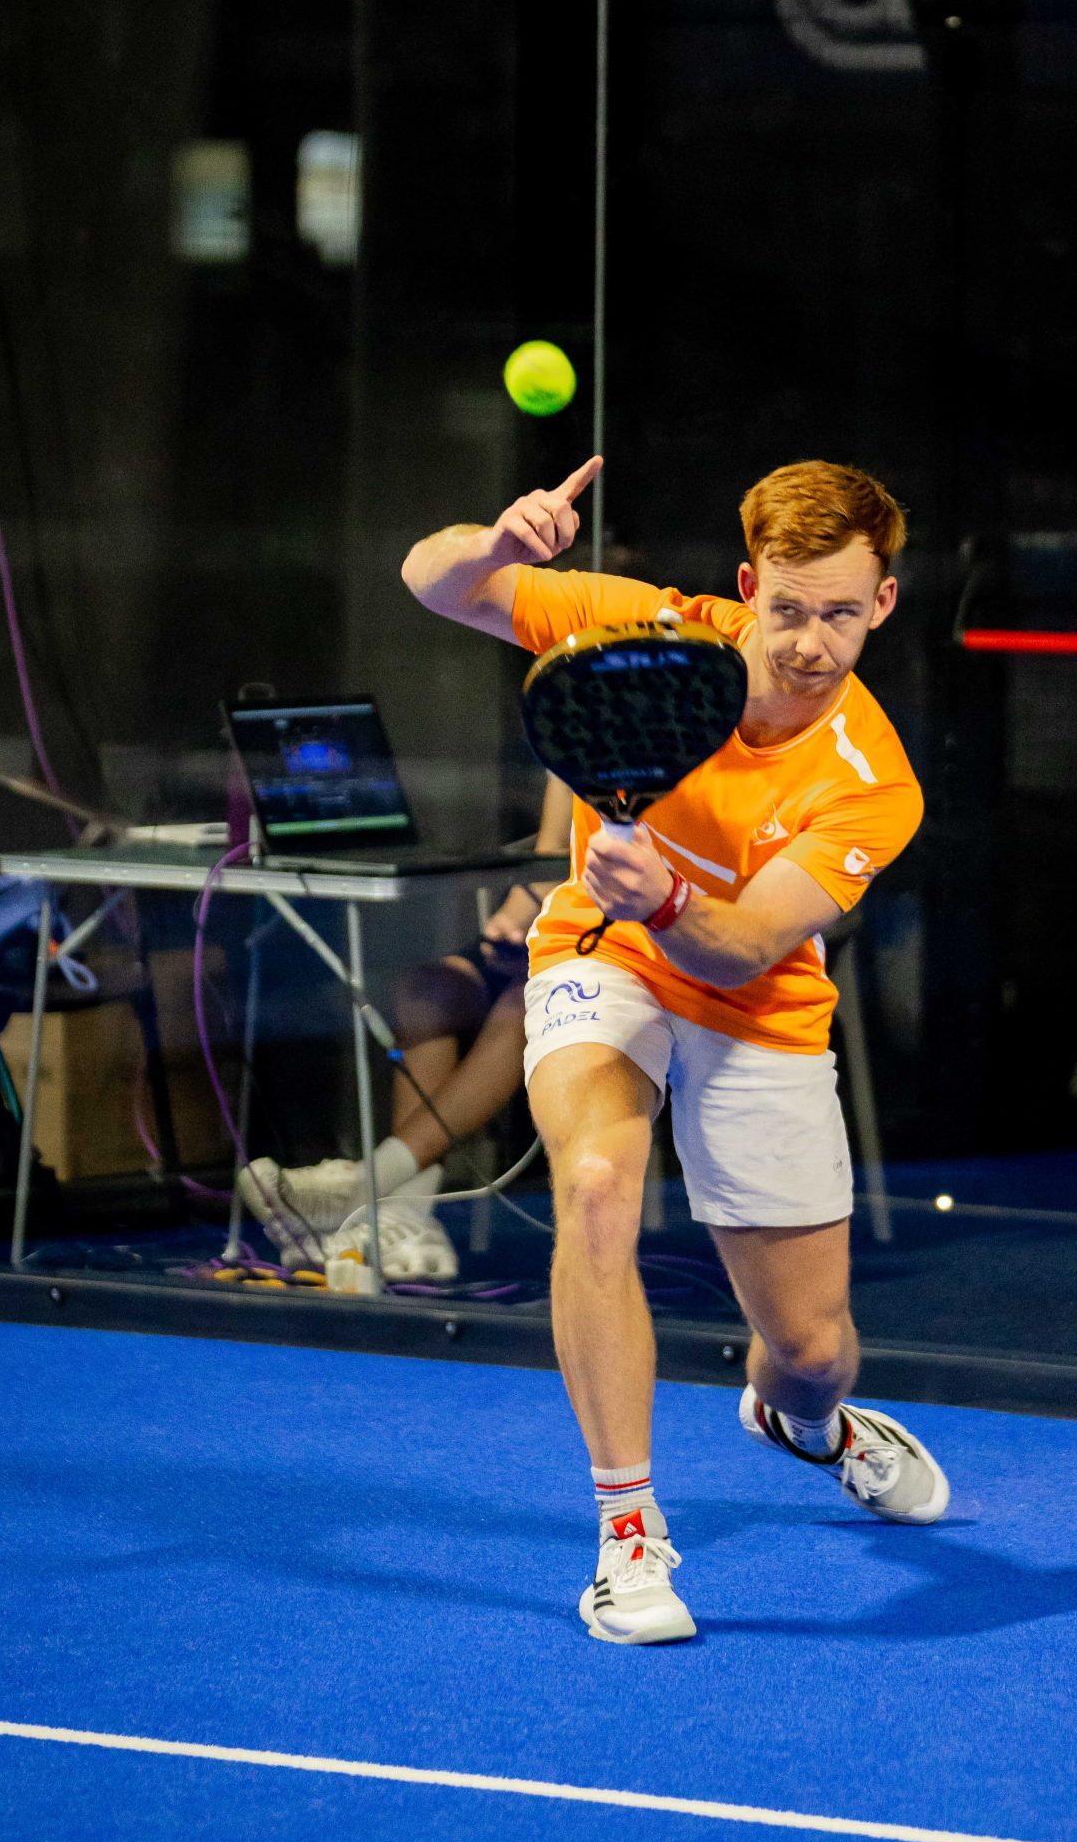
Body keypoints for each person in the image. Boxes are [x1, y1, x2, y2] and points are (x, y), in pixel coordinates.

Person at [400, 454, 948, 1645]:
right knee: (598, 1180)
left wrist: (666, 898)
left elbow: (744, 946)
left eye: (840, 615)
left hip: (754, 1005)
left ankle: (807, 1423)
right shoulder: (645, 637)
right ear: (749, 587)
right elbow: (430, 580)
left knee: (812, 1351)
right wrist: (497, 545)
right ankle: (629, 1535)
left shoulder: (874, 782)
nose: (809, 642)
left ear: (883, 604)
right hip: (602, 956)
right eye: (788, 609)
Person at [237, 775, 573, 1277]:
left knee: (526, 1001)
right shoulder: (568, 756)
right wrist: (509, 928)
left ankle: (366, 1185)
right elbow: (547, 865)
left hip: (625, 947)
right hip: (554, 932)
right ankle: (403, 1217)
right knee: (428, 990)